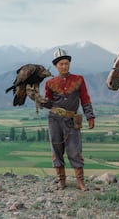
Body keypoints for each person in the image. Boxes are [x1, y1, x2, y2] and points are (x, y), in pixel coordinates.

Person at [43, 48, 95, 191]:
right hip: (54, 119)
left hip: (72, 119)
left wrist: (90, 116)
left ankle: (80, 182)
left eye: (67, 63)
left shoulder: (79, 79)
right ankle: (61, 181)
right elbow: (48, 103)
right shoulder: (49, 83)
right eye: (61, 64)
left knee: (75, 150)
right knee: (57, 149)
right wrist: (39, 99)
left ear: (69, 64)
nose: (64, 66)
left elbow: (85, 98)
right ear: (56, 66)